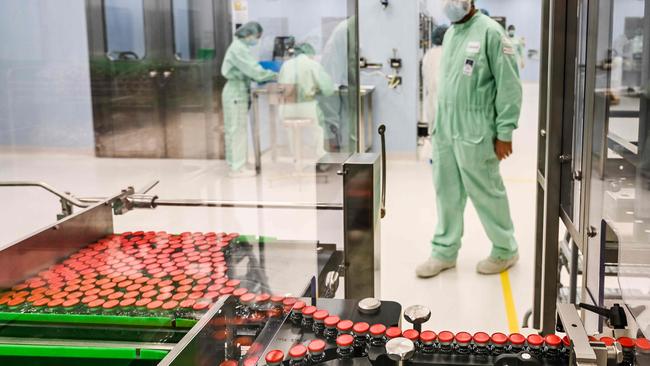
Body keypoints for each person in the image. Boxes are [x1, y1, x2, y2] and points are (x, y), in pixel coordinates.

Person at [416, 0, 523, 278]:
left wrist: (505, 133)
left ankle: (505, 249)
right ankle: (444, 252)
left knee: (486, 190)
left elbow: (509, 86)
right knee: (446, 192)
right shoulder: (451, 34)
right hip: (445, 130)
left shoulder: (491, 32)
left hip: (475, 128)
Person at [221, 22, 277, 178]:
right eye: (256, 37)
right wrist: (275, 74)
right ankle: (237, 168)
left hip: (238, 91)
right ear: (248, 34)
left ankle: (238, 163)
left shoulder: (240, 47)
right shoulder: (238, 49)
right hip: (235, 92)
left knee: (237, 130)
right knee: (236, 130)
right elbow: (254, 71)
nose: (257, 40)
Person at [278, 43, 336, 159]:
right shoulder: (313, 65)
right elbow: (328, 90)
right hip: (307, 107)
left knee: (292, 132)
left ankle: (296, 157)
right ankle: (321, 158)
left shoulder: (286, 65)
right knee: (318, 130)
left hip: (287, 108)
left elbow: (282, 87)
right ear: (310, 54)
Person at [422, 25, 449, 133]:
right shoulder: (448, 52)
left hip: (431, 99)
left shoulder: (428, 54)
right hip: (446, 101)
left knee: (434, 132)